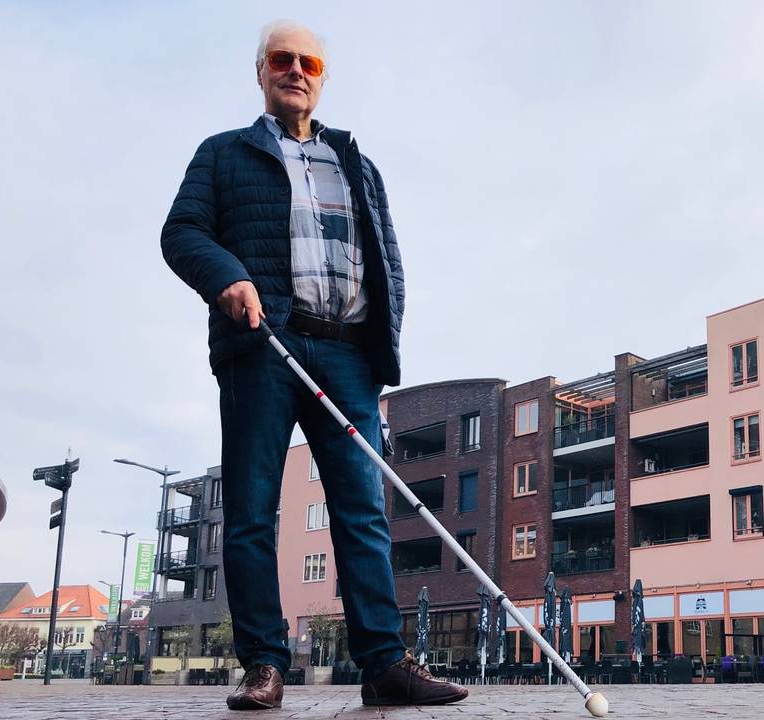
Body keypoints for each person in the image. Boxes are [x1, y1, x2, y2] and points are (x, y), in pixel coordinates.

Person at [161, 20, 467, 710]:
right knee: (249, 510)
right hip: (262, 344)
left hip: (348, 353)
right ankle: (264, 665)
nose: (295, 70)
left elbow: (385, 257)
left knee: (363, 509)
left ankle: (384, 663)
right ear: (262, 71)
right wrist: (227, 278)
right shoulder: (221, 155)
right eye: (282, 59)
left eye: (309, 62)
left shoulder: (355, 162)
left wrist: (382, 339)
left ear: (321, 76)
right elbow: (180, 232)